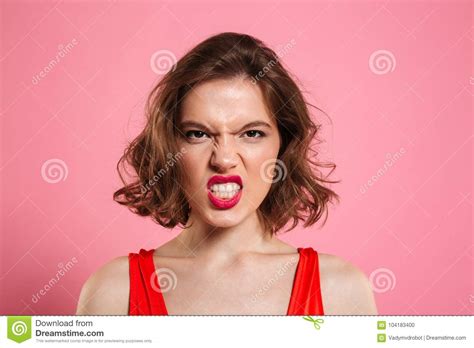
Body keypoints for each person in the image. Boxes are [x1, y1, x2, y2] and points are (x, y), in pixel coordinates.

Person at [76, 32, 378, 315]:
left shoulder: (340, 291)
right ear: (170, 146)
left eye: (251, 133)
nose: (223, 159)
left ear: (283, 145)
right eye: (197, 134)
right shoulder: (113, 292)